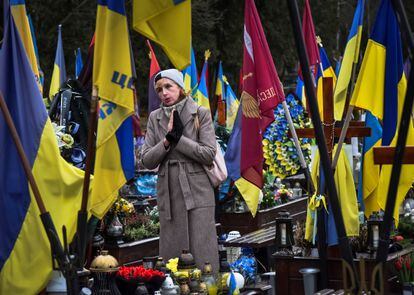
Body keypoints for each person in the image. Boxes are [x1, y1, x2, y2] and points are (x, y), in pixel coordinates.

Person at [141, 69, 219, 272]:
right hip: (169, 191)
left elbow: (208, 153)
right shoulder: (154, 117)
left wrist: (179, 140)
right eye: (159, 89)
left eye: (169, 87)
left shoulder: (200, 112)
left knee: (202, 250)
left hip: (198, 189)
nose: (164, 93)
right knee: (172, 256)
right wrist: (167, 140)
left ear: (180, 88)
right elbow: (147, 160)